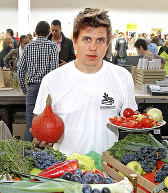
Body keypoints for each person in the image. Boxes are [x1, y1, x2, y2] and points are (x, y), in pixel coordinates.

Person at [32, 8, 137, 155]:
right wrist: (41, 136)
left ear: (107, 45)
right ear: (75, 42)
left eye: (100, 40)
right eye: (86, 39)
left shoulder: (123, 77)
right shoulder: (52, 80)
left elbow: (132, 120)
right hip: (65, 168)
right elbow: (39, 122)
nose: (93, 47)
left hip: (108, 169)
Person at [17, 20, 59, 141]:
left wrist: (25, 89)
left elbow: (20, 70)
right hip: (47, 89)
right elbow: (54, 70)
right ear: (49, 33)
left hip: (33, 87)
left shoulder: (28, 47)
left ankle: (28, 153)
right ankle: (47, 152)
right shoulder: (52, 46)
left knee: (31, 122)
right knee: (48, 121)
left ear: (35, 32)